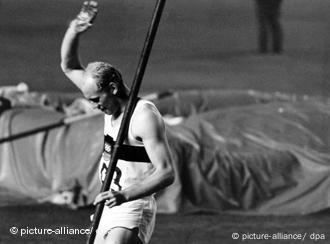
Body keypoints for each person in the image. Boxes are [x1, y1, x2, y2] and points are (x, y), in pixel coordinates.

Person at [60, 2, 175, 244]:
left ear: (112, 88)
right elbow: (69, 66)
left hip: (133, 205)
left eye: (95, 100)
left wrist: (124, 195)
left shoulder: (143, 116)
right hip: (109, 204)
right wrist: (75, 29)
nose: (93, 107)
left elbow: (166, 172)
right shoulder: (105, 99)